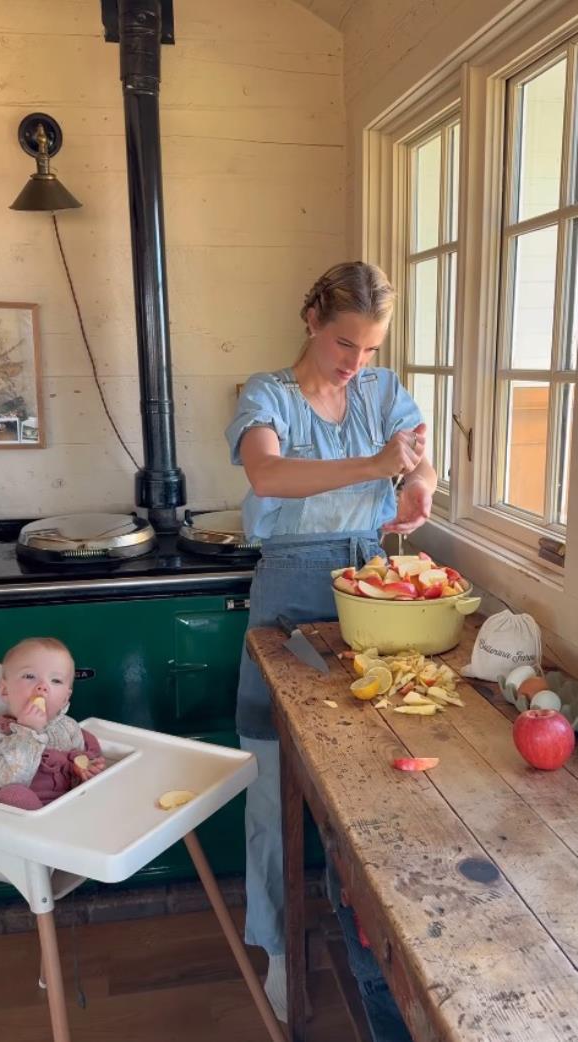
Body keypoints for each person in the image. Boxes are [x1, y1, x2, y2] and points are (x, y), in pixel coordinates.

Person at [225, 261, 437, 1038]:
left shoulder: (383, 394)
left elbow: (417, 456)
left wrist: (419, 486)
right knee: (271, 779)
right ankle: (280, 947)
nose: (357, 362)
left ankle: (370, 950)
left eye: (371, 348)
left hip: (373, 581)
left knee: (367, 782)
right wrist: (379, 467)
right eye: (346, 342)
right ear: (311, 316)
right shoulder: (267, 394)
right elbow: (267, 474)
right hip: (289, 583)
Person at [0, 637, 105, 810]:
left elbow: (78, 770)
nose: (42, 686)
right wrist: (28, 731)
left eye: (56, 681)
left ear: (65, 698)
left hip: (64, 809)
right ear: (5, 690)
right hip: (17, 819)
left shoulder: (69, 728)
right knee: (14, 795)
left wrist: (81, 769)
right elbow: (12, 781)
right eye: (30, 676)